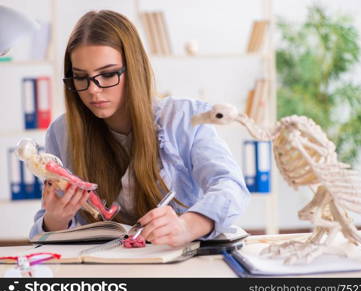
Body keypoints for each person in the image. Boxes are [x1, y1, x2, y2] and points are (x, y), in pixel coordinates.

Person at [29, 10, 250, 247]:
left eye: (107, 74)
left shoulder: (186, 119)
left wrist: (188, 225)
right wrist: (55, 220)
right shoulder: (61, 133)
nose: (93, 89)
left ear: (134, 69)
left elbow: (230, 185)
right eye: (80, 77)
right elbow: (45, 230)